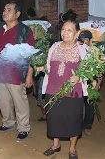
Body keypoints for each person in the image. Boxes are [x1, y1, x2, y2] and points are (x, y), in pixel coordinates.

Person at [38, 20, 89, 159]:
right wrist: (42, 68)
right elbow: (49, 66)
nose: (65, 33)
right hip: (53, 89)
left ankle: (72, 148)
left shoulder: (82, 49)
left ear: (77, 33)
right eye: (63, 29)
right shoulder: (54, 46)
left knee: (73, 120)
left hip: (73, 91)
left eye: (69, 30)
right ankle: (56, 145)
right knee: (54, 119)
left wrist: (80, 77)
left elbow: (90, 70)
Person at [0, 1, 35, 141]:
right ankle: (8, 123)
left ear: (17, 14)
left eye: (9, 10)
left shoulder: (24, 31)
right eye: (4, 9)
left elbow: (31, 55)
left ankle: (24, 128)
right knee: (3, 101)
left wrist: (29, 76)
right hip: (0, 73)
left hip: (16, 74)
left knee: (20, 102)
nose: (5, 12)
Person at [78, 30, 103, 136]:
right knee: (78, 106)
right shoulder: (77, 49)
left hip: (91, 83)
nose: (84, 42)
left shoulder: (96, 52)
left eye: (86, 40)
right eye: (82, 40)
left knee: (90, 106)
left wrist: (97, 85)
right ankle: (77, 126)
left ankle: (87, 126)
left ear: (90, 40)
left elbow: (101, 70)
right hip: (78, 83)